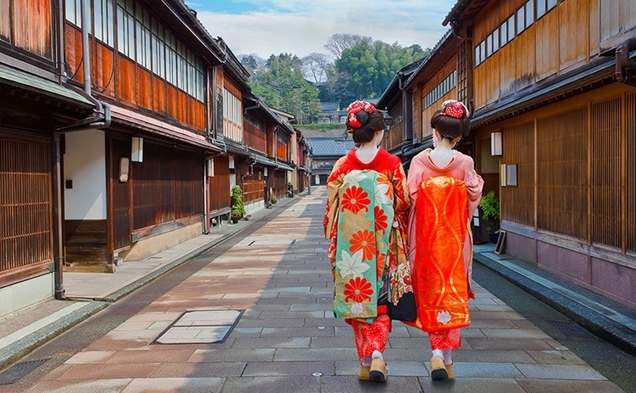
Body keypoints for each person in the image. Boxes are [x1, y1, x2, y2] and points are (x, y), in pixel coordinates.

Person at [324, 101, 411, 383]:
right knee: (381, 301)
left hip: (352, 247)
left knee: (357, 299)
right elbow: (405, 203)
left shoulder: (342, 166)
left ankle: (365, 359)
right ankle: (377, 356)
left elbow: (332, 209)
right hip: (383, 245)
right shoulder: (392, 164)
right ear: (378, 133)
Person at [406, 100, 484, 381]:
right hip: (454, 241)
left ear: (434, 132)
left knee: (430, 291)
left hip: (425, 240)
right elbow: (473, 195)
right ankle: (443, 355)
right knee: (452, 291)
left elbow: (410, 198)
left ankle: (438, 352)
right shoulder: (465, 162)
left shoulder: (418, 161)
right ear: (460, 136)